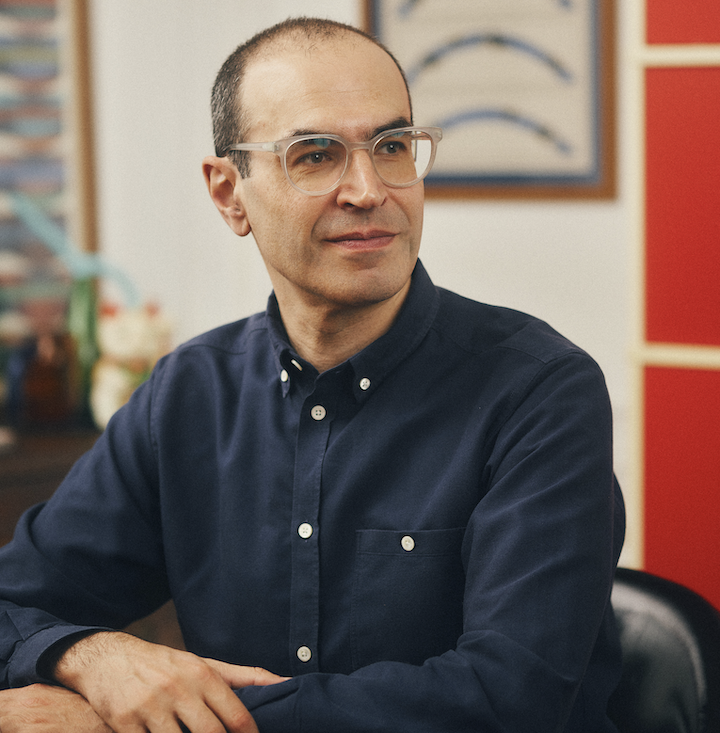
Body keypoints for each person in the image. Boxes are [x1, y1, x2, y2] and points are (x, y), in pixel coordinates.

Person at [0, 16, 625, 733]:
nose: (368, 189)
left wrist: (142, 722)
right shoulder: (187, 395)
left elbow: (506, 699)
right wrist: (91, 656)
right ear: (229, 193)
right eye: (316, 155)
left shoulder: (540, 391)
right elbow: (13, 600)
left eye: (392, 146)